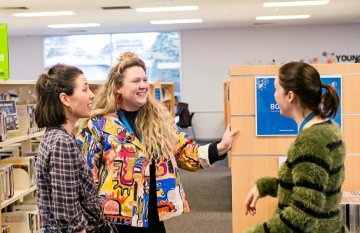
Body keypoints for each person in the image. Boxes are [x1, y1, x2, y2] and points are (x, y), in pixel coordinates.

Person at [76, 51, 239, 233]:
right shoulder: (98, 125)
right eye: (136, 81)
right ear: (118, 88)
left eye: (145, 80)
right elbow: (86, 176)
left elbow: (185, 152)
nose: (143, 85)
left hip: (153, 216)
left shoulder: (159, 120)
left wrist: (220, 147)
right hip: (114, 221)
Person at [244, 61, 347, 233]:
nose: (274, 95)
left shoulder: (312, 141)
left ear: (290, 96)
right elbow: (308, 188)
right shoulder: (325, 130)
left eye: (277, 89)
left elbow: (303, 213)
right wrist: (263, 187)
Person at [35, 64, 117, 233]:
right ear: (65, 99)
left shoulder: (59, 136)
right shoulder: (61, 143)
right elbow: (68, 215)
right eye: (85, 90)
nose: (92, 95)